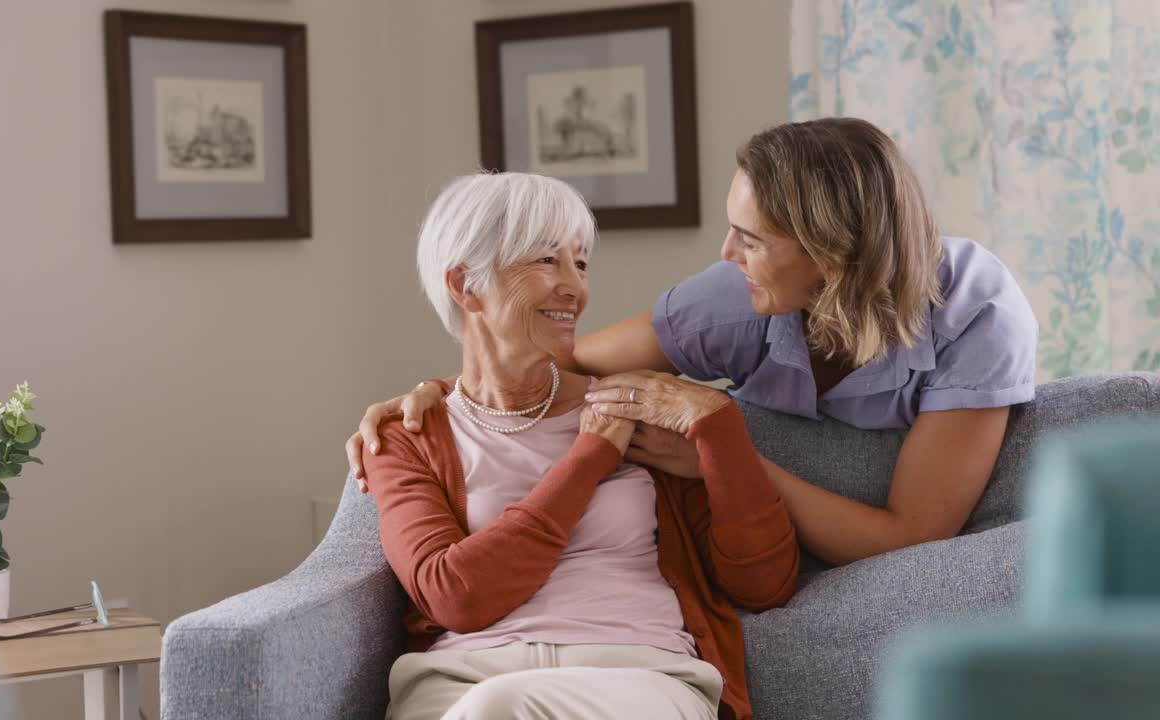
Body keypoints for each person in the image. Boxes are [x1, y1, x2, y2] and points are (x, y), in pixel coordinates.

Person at [350, 118, 1038, 567]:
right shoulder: (730, 297)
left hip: (901, 554)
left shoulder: (978, 311)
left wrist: (720, 450)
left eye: (752, 238)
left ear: (830, 256)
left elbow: (910, 539)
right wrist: (442, 396)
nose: (725, 250)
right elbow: (557, 357)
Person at [364, 171, 798, 720]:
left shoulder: (636, 412)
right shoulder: (407, 436)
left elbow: (763, 584)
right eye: (547, 261)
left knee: (496, 710)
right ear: (465, 285)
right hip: (460, 682)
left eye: (581, 263)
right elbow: (456, 597)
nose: (575, 287)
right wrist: (589, 460)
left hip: (638, 677)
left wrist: (719, 429)